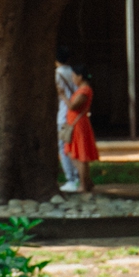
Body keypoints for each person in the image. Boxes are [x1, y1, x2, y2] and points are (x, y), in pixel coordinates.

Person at [65, 72, 99, 191]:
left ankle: (84, 184)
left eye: (74, 76)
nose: (73, 79)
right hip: (75, 123)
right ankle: (87, 181)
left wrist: (63, 96)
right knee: (72, 153)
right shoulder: (81, 89)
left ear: (80, 76)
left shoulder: (84, 90)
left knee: (81, 155)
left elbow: (73, 106)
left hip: (79, 125)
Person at [55, 49, 82, 192]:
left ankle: (71, 179)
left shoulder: (57, 74)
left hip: (63, 115)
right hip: (75, 115)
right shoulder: (74, 72)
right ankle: (78, 177)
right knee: (73, 147)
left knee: (64, 148)